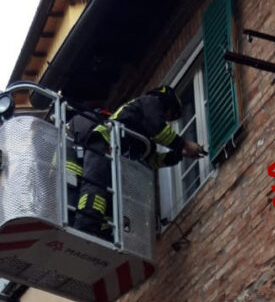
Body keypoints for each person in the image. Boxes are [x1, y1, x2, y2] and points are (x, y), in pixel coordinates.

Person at [73, 83, 206, 236]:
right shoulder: (150, 102)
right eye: (170, 112)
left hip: (117, 159)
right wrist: (184, 144)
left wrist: (178, 155)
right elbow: (159, 128)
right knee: (96, 186)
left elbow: (150, 160)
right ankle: (85, 227)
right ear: (166, 101)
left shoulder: (144, 134)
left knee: (111, 200)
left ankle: (101, 233)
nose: (168, 118)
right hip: (103, 142)